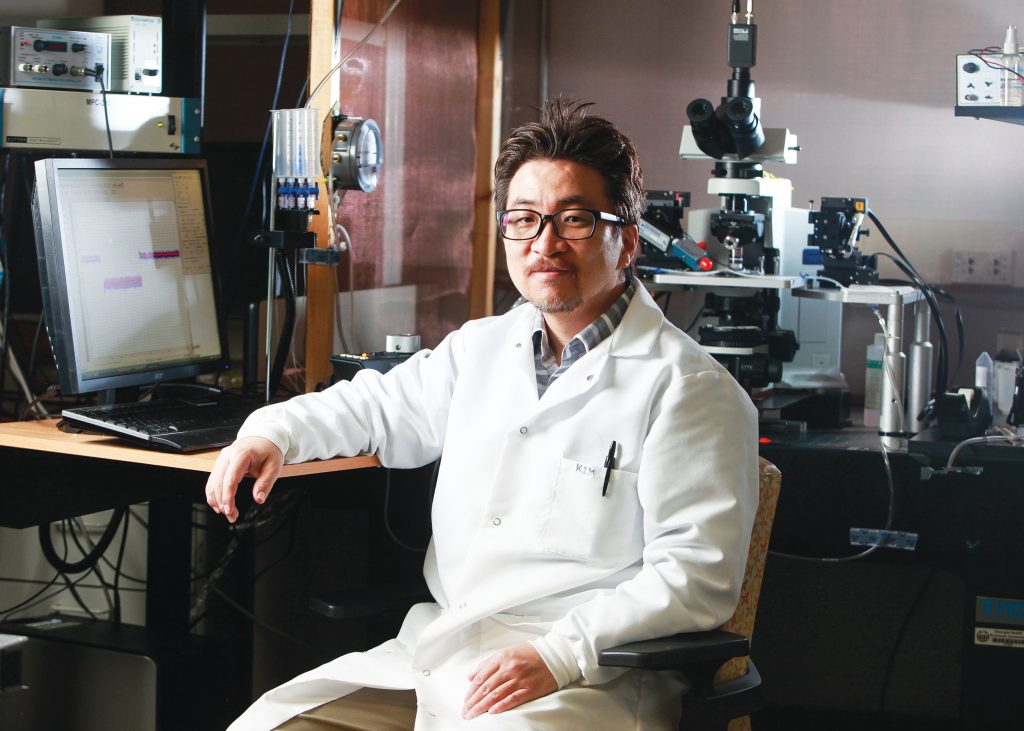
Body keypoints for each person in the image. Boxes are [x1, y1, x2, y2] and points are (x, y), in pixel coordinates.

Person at [207, 97, 759, 730]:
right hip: (440, 657)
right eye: (523, 220)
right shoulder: (481, 348)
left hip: (588, 680)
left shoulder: (688, 388)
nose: (544, 243)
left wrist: (560, 654)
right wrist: (273, 432)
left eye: (574, 220)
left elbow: (696, 577)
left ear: (625, 239)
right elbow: (374, 407)